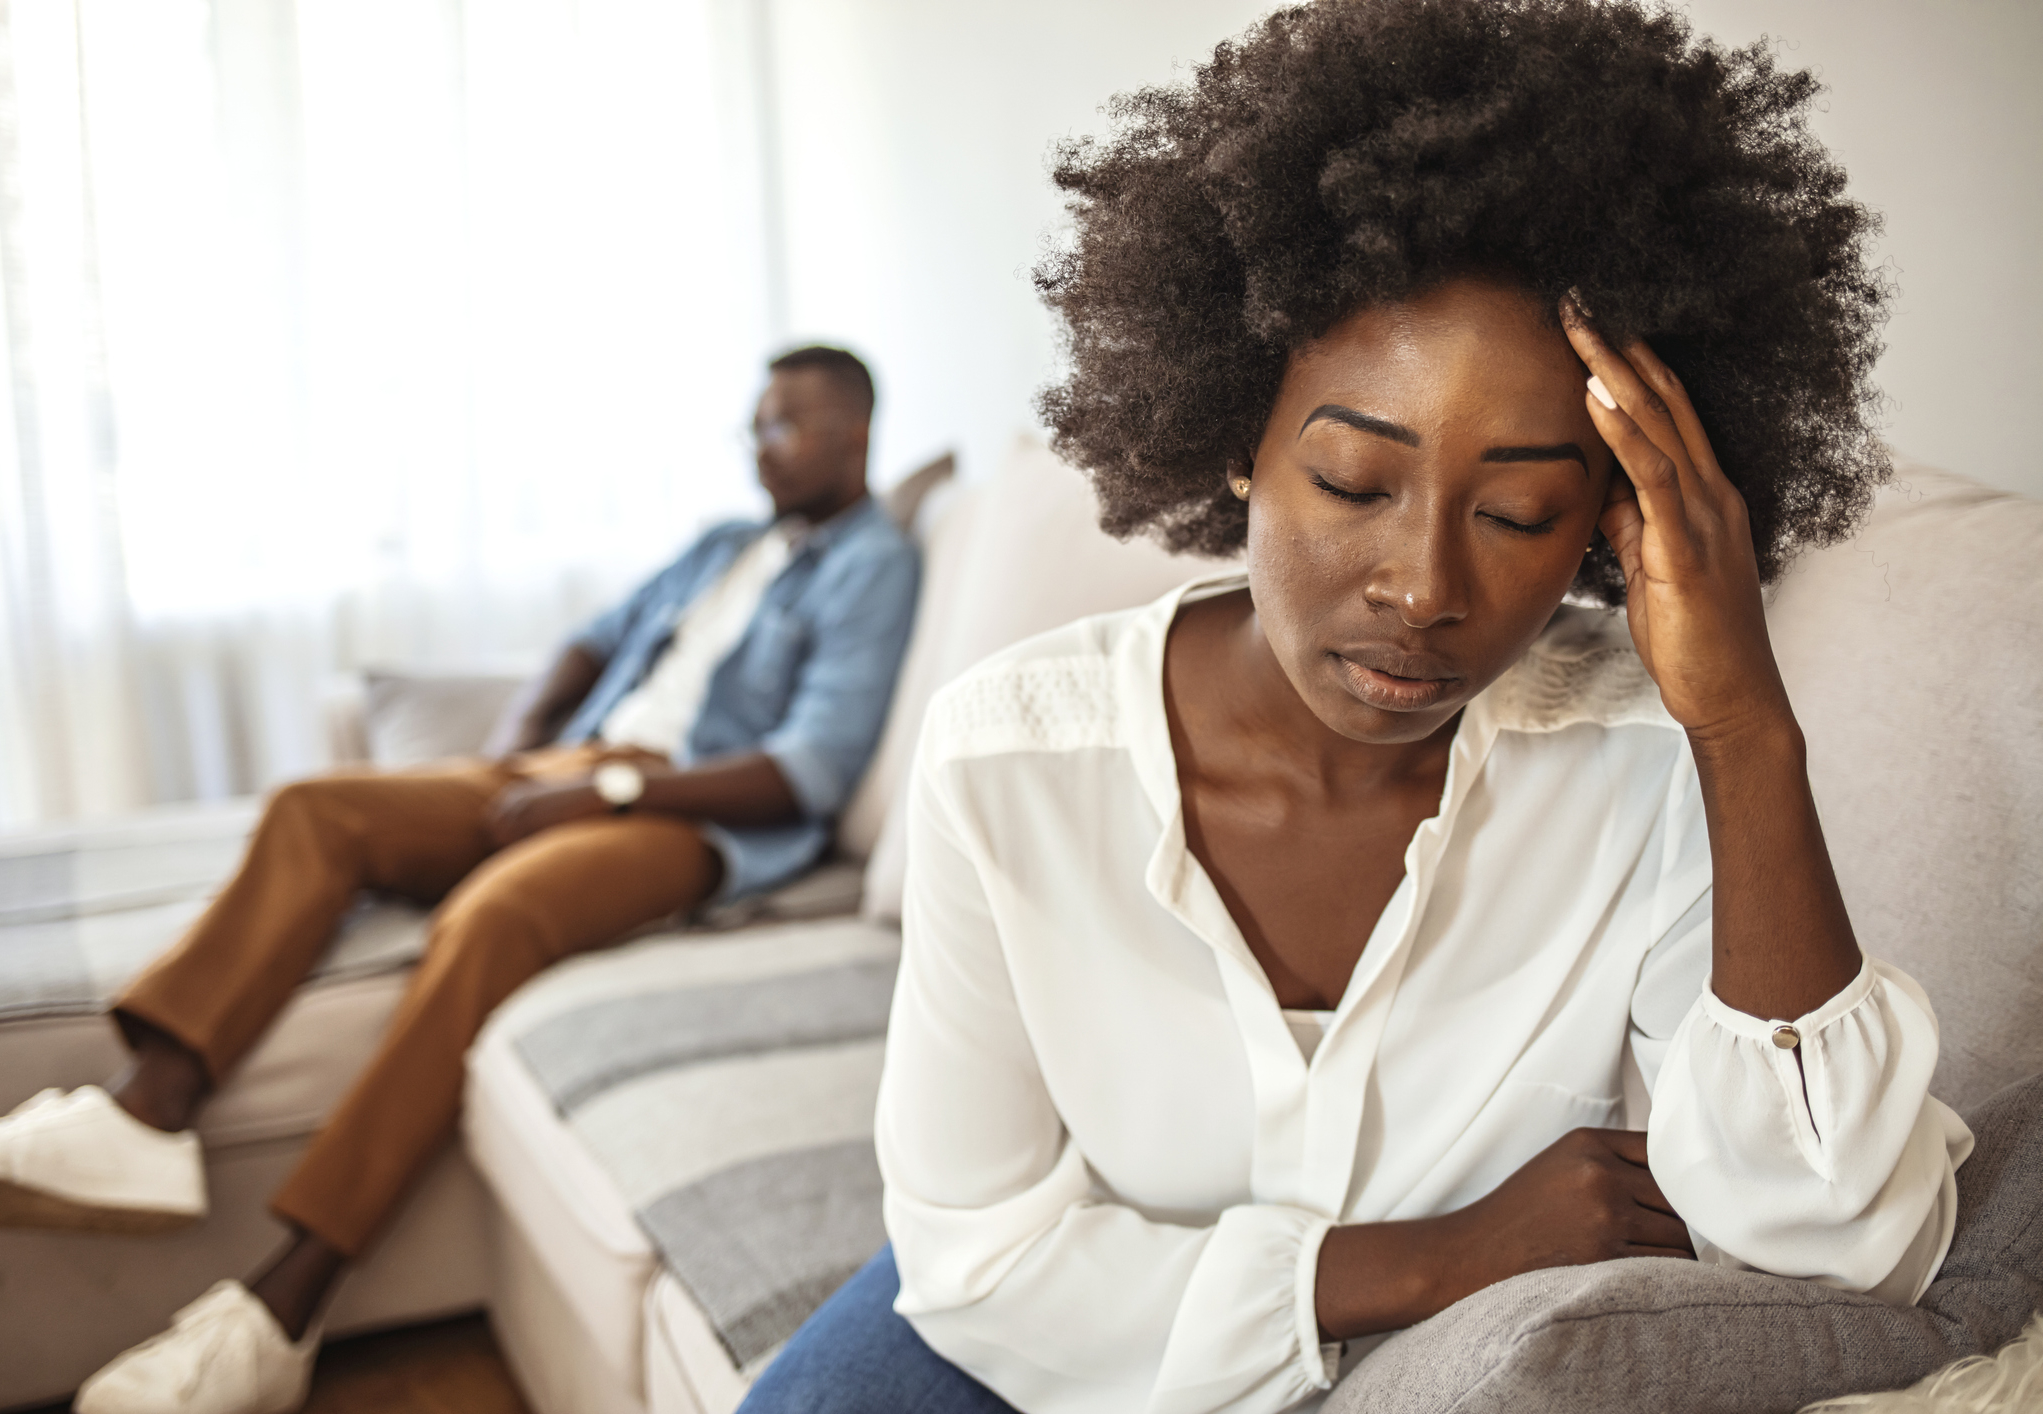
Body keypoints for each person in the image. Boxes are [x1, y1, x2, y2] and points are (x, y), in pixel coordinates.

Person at [738, 6, 1970, 1413]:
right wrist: (1428, 1254)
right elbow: (979, 1253)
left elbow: (1834, 1239)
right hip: (1092, 1297)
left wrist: (1746, 726)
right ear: (1234, 444)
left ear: (1603, 523)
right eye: (1353, 483)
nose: (1424, 585)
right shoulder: (1011, 756)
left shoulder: (1652, 759)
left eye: (1515, 510)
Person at [0, 345, 921, 1414]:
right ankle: (144, 1114)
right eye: (754, 425)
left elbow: (810, 768)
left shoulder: (876, 562)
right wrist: (524, 744)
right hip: (574, 768)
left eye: (785, 425)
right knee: (320, 807)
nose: (761, 447)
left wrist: (611, 795)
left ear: (854, 432)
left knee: (495, 913)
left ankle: (278, 1312)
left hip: (689, 817)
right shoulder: (726, 543)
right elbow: (590, 643)